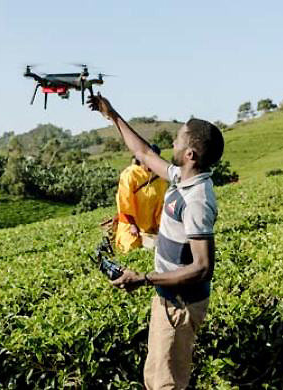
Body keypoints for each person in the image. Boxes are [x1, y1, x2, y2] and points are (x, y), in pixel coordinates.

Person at [88, 93, 224, 390]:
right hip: (167, 298)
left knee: (167, 384)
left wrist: (144, 278)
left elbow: (203, 267)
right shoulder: (181, 178)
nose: (172, 143)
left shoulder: (197, 199)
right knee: (156, 377)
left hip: (180, 305)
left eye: (179, 139)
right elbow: (145, 153)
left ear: (191, 154)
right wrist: (112, 115)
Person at [115, 144, 168, 253]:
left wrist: (160, 225)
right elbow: (124, 203)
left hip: (151, 225)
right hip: (131, 224)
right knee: (130, 247)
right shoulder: (130, 174)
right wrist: (132, 225)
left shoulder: (159, 177)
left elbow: (161, 203)